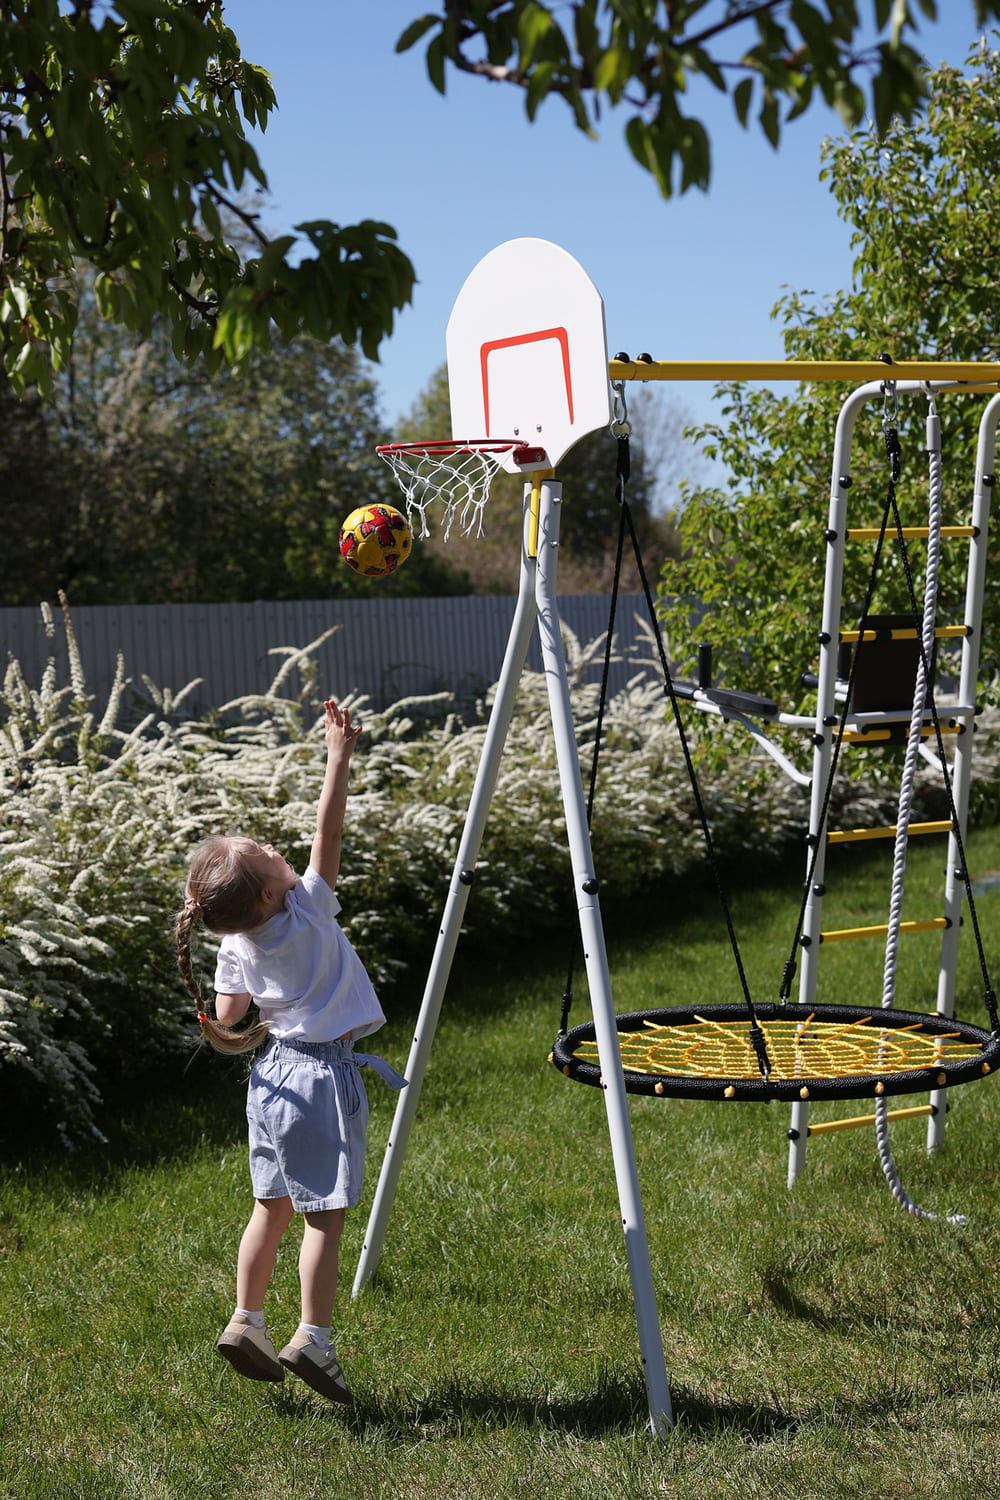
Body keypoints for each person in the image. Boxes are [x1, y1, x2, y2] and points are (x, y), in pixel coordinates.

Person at [175, 698, 405, 1406]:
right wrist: (337, 757)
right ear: (274, 896)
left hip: (270, 1078)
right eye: (271, 856)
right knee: (323, 1218)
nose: (281, 850)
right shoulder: (307, 906)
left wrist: (213, 1012)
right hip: (321, 1078)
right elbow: (328, 829)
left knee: (267, 1209)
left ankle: (246, 1320)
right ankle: (314, 1338)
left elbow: (229, 1016)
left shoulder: (236, 944)